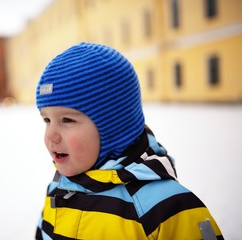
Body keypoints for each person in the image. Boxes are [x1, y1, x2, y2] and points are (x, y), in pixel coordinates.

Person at [35, 42, 223, 239]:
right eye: (47, 119)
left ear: (114, 127)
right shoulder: (59, 191)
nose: (50, 135)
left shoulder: (167, 207)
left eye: (67, 120)